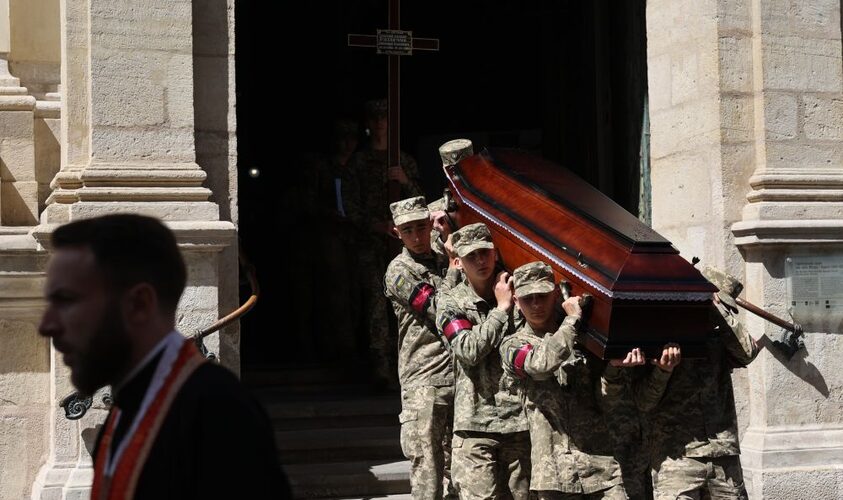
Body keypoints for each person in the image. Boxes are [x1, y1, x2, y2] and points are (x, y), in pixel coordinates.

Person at [38, 214, 290, 500]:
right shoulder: (125, 411)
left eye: (69, 301)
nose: (48, 325)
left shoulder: (217, 411)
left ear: (139, 304)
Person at [500, 261, 680, 500]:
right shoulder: (513, 345)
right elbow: (540, 364)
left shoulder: (586, 340)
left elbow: (605, 397)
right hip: (555, 474)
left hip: (602, 467)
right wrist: (572, 320)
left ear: (555, 294)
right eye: (527, 298)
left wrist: (615, 367)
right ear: (516, 301)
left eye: (542, 296)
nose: (536, 304)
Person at [435, 222, 531, 499]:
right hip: (474, 427)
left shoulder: (519, 293)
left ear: (495, 253)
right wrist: (501, 310)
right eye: (471, 256)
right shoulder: (450, 302)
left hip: (518, 422)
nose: (480, 261)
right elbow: (468, 349)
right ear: (458, 262)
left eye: (485, 252)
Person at [647, 267, 758, 500]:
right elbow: (645, 398)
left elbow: (748, 351)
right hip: (678, 456)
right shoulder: (665, 333)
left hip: (723, 454)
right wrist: (664, 369)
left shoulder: (721, 339)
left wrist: (717, 310)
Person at [383, 196, 462, 499]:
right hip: (425, 379)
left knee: (461, 468)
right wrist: (454, 269)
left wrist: (446, 216)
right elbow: (440, 308)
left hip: (459, 374)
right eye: (408, 231)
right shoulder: (400, 270)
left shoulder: (443, 254)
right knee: (427, 467)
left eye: (421, 227)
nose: (416, 237)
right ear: (397, 233)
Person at [343, 99, 424, 387]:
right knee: (376, 304)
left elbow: (421, 202)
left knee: (406, 301)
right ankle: (381, 365)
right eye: (375, 118)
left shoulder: (403, 161)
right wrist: (376, 225)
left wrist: (405, 180)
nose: (379, 123)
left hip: (402, 246)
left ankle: (408, 363)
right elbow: (350, 206)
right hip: (370, 245)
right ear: (368, 123)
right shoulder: (358, 162)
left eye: (384, 118)